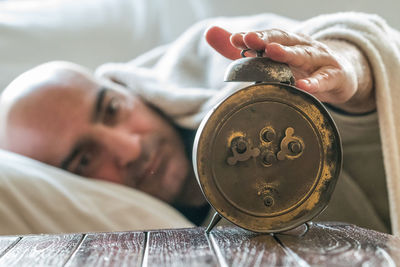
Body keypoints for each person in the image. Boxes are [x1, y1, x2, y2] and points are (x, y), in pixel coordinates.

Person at [0, 12, 398, 234]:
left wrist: (355, 71)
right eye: (83, 161)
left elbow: (340, 46)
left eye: (112, 109)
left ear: (123, 85)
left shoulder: (211, 55)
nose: (130, 148)